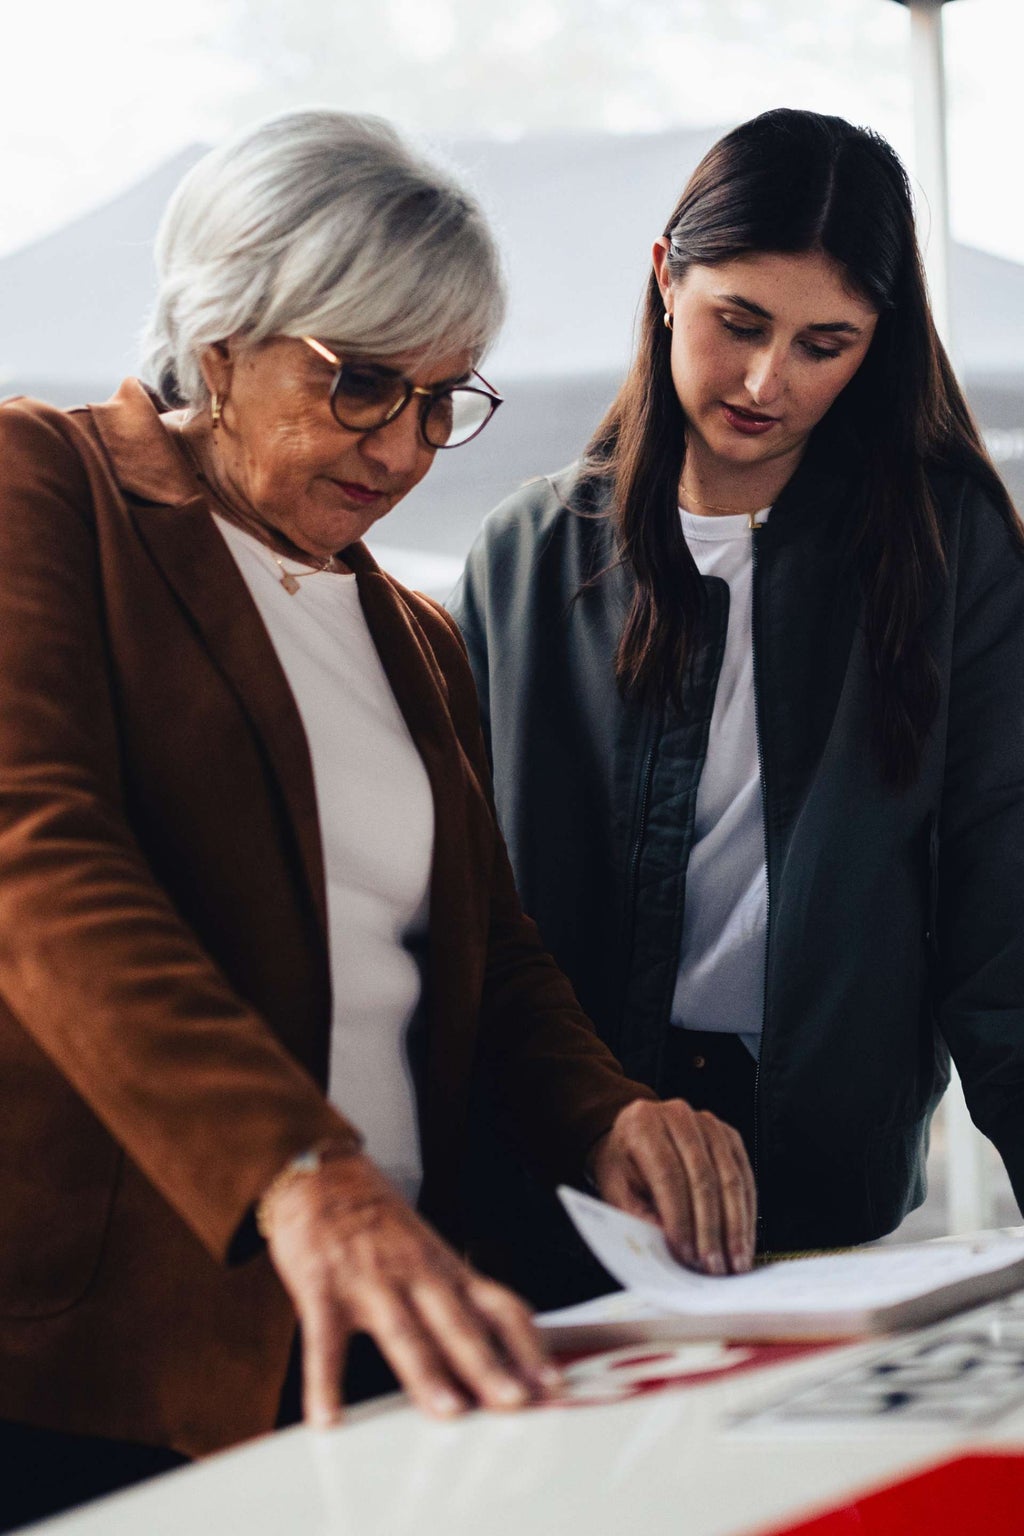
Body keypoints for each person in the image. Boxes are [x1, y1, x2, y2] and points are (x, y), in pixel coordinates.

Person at [0, 110, 756, 1531]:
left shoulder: (415, 634)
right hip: (106, 1354)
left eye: (442, 398)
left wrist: (608, 1114)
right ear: (219, 341)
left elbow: (491, 947)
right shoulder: (43, 487)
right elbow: (35, 854)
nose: (405, 446)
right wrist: (300, 1174)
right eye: (360, 385)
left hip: (390, 1310)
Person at [449, 108, 1024, 1301]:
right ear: (665, 278)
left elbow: (1002, 906)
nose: (769, 381)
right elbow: (463, 910)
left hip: (816, 1179)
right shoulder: (526, 557)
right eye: (738, 323)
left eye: (827, 343)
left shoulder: (943, 544)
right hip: (559, 1172)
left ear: (880, 341)